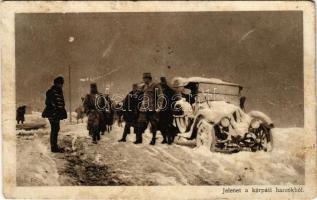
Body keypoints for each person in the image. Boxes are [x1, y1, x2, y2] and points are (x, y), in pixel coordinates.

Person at [134, 73, 163, 145]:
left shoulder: (156, 86)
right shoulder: (144, 86)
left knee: (153, 125)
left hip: (152, 109)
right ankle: (139, 139)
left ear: (148, 78)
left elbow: (160, 97)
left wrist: (159, 107)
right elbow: (138, 94)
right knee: (140, 124)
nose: (143, 80)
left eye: (144, 79)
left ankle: (153, 139)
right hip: (143, 109)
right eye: (143, 79)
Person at [42, 76, 67, 153]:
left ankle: (54, 146)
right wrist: (54, 108)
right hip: (52, 113)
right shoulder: (50, 91)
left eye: (62, 84)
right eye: (60, 84)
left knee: (56, 128)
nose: (62, 85)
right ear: (56, 83)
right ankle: (53, 147)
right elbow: (48, 102)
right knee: (55, 129)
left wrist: (61, 110)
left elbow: (62, 103)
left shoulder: (59, 91)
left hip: (57, 113)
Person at [158, 77, 177, 144]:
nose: (162, 86)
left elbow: (174, 100)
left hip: (169, 111)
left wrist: (172, 109)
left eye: (163, 84)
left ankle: (169, 138)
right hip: (161, 112)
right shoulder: (159, 92)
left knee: (168, 125)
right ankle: (164, 138)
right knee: (161, 126)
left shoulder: (171, 92)